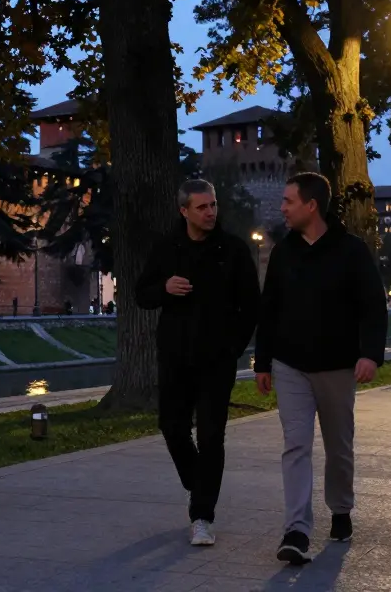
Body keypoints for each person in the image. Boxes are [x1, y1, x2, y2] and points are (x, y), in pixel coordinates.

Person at [255, 172, 388, 565]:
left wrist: (370, 354)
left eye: (288, 201)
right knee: (295, 445)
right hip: (290, 364)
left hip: (336, 366)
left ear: (311, 205)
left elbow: (372, 307)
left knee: (338, 446)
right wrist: (263, 362)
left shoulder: (351, 251)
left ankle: (341, 509)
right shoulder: (283, 252)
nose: (282, 207)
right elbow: (270, 311)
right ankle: (296, 529)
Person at [136, 178, 260, 547]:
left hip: (216, 361)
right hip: (174, 357)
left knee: (211, 436)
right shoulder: (166, 249)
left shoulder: (233, 250)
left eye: (214, 205)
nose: (210, 212)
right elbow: (142, 294)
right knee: (172, 427)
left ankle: (202, 516)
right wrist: (164, 289)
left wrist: (233, 347)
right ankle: (200, 482)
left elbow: (251, 305)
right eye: (202, 207)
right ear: (184, 211)